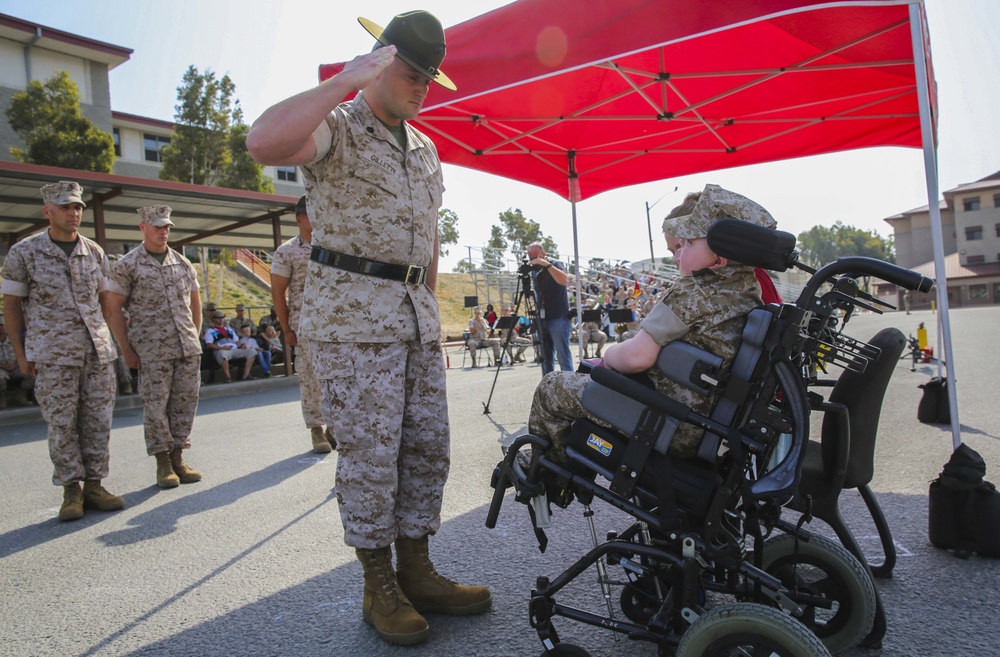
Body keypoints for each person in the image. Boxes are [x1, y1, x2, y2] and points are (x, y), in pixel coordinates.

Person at [246, 10, 490, 645]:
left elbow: (429, 239)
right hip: (353, 323)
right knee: (371, 460)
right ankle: (377, 585)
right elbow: (263, 143)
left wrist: (431, 315)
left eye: (430, 79)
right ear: (380, 63)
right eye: (411, 73)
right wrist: (341, 82)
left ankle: (418, 569)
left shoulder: (426, 148)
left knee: (427, 451)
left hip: (413, 321)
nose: (421, 88)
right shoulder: (339, 128)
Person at [528, 184, 776, 464]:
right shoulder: (749, 292)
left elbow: (636, 357)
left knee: (551, 386)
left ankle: (549, 469)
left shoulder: (694, 292)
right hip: (705, 426)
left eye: (688, 244)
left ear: (719, 257)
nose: (679, 255)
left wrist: (608, 355)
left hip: (669, 422)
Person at [1, 181, 124, 521]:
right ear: (47, 211)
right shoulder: (24, 253)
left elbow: (105, 301)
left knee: (98, 420)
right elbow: (11, 305)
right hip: (53, 353)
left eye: (78, 207)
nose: (74, 213)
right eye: (66, 207)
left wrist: (115, 344)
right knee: (61, 423)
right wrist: (22, 354)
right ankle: (72, 490)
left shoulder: (95, 251)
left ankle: (96, 485)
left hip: (96, 351)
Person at [104, 205, 204, 489]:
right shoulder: (127, 265)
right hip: (151, 350)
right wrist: (126, 349)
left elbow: (195, 303)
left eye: (167, 227)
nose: (164, 231)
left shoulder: (182, 263)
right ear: (142, 227)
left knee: (185, 404)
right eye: (158, 226)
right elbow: (113, 310)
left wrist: (194, 336)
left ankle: (178, 457)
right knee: (156, 407)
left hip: (186, 347)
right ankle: (162, 463)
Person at [269, 194, 335, 453]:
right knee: (310, 379)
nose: (317, 216)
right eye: (311, 212)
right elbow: (278, 292)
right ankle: (316, 429)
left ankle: (334, 427)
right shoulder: (287, 252)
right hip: (305, 324)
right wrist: (286, 328)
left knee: (336, 375)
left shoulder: (331, 246)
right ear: (299, 219)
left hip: (333, 324)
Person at [527, 242, 573, 374]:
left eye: (537, 257)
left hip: (558, 317)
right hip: (542, 318)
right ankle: (547, 388)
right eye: (531, 258)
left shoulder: (555, 264)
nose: (534, 260)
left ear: (544, 254)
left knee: (562, 355)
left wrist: (546, 265)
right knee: (545, 357)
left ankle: (569, 387)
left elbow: (564, 280)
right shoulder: (534, 271)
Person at [203, 310, 256, 382]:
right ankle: (228, 376)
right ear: (214, 319)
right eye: (218, 318)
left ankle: (246, 374)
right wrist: (221, 348)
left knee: (252, 352)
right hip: (221, 350)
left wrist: (242, 345)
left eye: (222, 317)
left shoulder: (229, 330)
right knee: (222, 354)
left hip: (234, 349)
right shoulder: (210, 331)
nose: (221, 319)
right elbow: (209, 344)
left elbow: (237, 341)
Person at [0, 318, 35, 408]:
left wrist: (17, 364)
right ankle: (1, 399)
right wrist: (3, 366)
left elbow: (22, 353)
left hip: (16, 366)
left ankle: (21, 395)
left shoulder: (13, 340)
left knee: (32, 373)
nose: (1, 328)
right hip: (1, 369)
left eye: (2, 325)